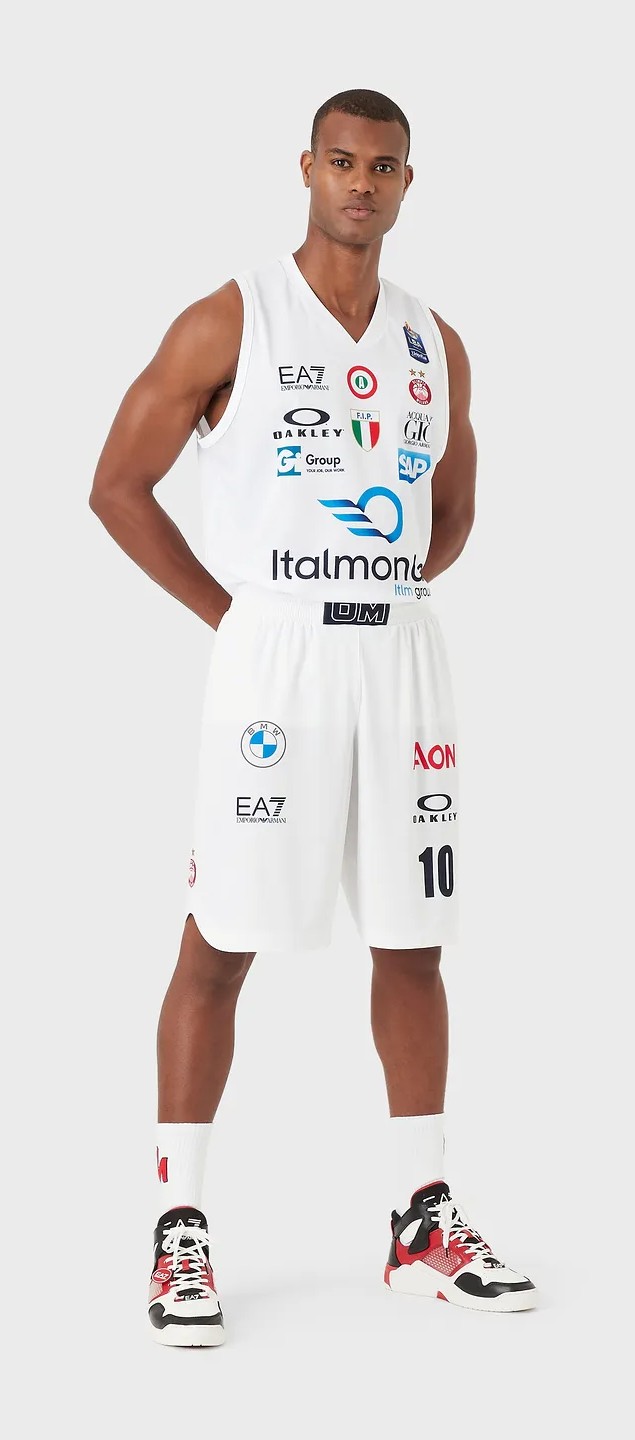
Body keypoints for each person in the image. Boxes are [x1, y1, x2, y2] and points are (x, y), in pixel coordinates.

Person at [89, 87, 536, 1347]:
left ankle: (419, 1220)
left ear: (407, 184)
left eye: (382, 168)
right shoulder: (232, 316)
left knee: (412, 936)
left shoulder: (435, 342)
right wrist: (235, 615)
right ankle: (178, 1223)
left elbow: (453, 508)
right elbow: (116, 486)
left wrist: (378, 592)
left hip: (398, 659)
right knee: (219, 940)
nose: (360, 184)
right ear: (305, 168)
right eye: (340, 161)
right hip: (271, 666)